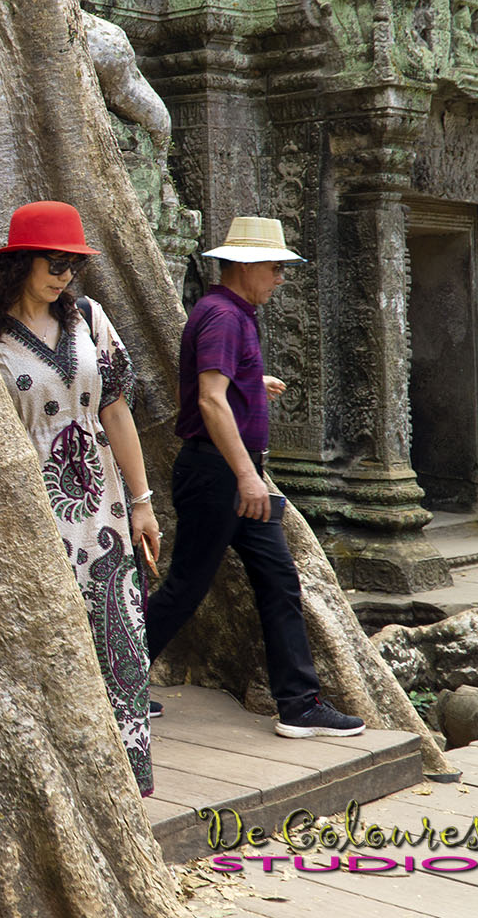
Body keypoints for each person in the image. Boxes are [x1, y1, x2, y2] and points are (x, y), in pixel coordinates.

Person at [145, 216, 365, 739]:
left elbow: (218, 385)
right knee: (186, 586)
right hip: (221, 472)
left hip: (237, 471)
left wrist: (251, 380)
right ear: (244, 266)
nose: (280, 279)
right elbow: (208, 399)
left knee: (278, 579)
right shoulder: (222, 315)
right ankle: (115, 682)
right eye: (274, 267)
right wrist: (247, 476)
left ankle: (299, 703)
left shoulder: (232, 314)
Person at [0, 201, 159, 795]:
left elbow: (114, 408)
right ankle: (66, 784)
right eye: (53, 262)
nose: (64, 275)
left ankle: (126, 782)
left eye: (73, 264)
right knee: (54, 639)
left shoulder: (87, 316)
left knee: (118, 631)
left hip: (103, 504)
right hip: (33, 510)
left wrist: (142, 500)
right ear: (20, 262)